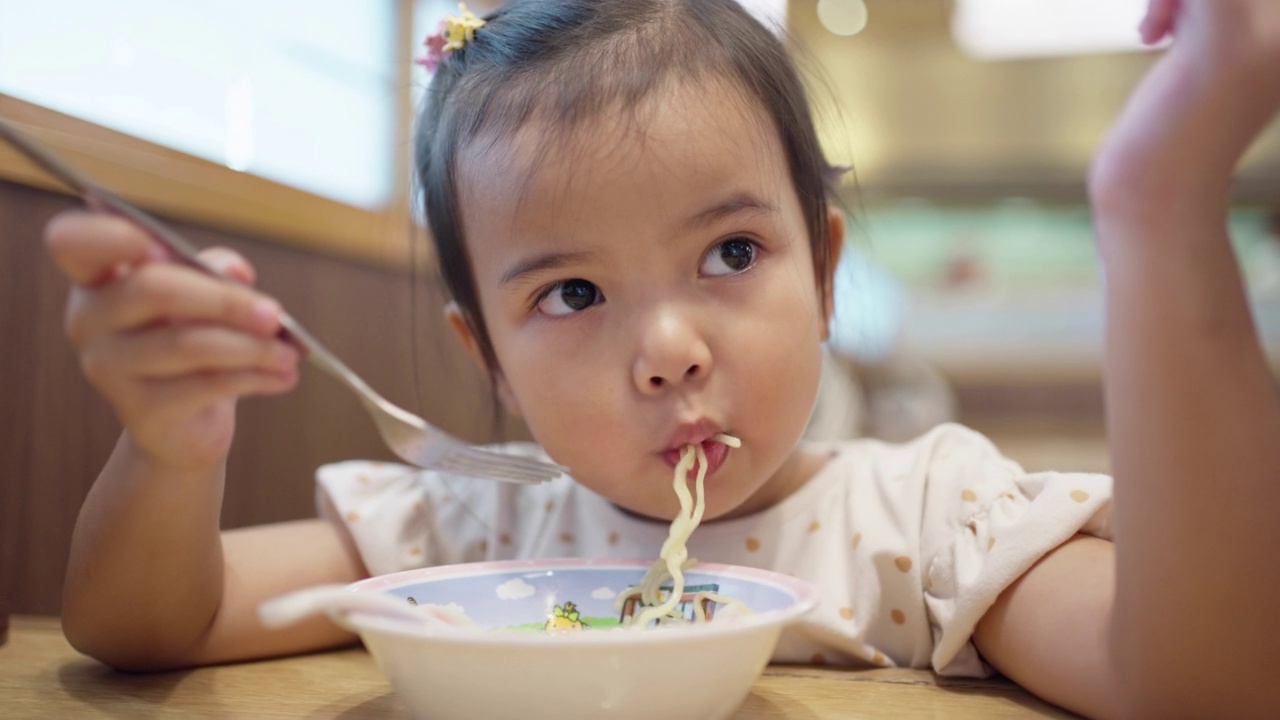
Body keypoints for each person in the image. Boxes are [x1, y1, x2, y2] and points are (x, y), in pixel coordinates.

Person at [43, 0, 1279, 717]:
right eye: (571, 292)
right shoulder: (475, 529)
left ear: (826, 273)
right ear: (491, 362)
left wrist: (1156, 204)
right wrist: (167, 451)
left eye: (731, 254)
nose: (670, 351)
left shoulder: (922, 521)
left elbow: (1193, 680)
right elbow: (152, 622)